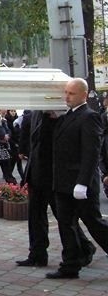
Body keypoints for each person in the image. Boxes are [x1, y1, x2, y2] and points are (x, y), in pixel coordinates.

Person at [15, 110, 95, 268]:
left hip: (52, 174)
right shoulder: (36, 113)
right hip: (36, 171)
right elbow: (33, 141)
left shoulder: (60, 115)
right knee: (35, 215)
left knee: (63, 216)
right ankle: (37, 254)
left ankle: (85, 247)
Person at [47, 78, 108, 279]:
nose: (67, 97)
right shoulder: (67, 117)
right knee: (66, 225)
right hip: (63, 183)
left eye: (71, 93)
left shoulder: (89, 116)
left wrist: (82, 183)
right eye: (66, 92)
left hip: (81, 185)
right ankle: (70, 266)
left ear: (84, 94)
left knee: (94, 224)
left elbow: (91, 152)